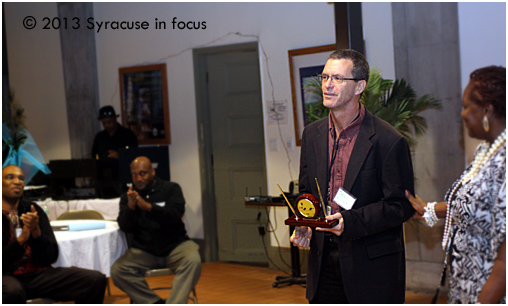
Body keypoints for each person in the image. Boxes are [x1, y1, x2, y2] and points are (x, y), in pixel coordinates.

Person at [290, 49, 415, 303]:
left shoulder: (388, 140)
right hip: (322, 261)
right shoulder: (312, 135)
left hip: (370, 267)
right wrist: (304, 222)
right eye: (324, 77)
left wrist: (350, 221)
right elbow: (307, 192)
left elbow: (400, 206)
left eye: (337, 78)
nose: (327, 85)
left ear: (359, 86)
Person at [406, 66, 506, 304]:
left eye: (465, 106)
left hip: (491, 293)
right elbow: (473, 204)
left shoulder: (504, 162)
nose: (461, 114)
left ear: (487, 110)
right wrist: (429, 209)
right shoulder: (486, 151)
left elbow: (505, 263)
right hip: (467, 285)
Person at [2, 165, 107, 303]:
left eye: (21, 178)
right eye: (10, 177)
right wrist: (21, 240)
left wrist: (36, 233)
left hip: (38, 276)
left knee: (95, 279)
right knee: (12, 292)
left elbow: (51, 256)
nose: (18, 182)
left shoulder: (32, 209)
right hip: (7, 277)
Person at [111, 156, 201, 304]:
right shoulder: (127, 197)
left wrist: (148, 207)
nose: (139, 178)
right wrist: (131, 208)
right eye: (134, 174)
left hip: (176, 245)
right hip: (144, 250)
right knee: (118, 271)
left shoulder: (171, 189)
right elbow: (125, 227)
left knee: (193, 261)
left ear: (152, 172)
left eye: (143, 173)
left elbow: (175, 214)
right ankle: (155, 303)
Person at [92, 105, 138, 197]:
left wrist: (120, 155)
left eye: (109, 122)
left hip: (123, 178)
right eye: (104, 123)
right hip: (103, 180)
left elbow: (135, 155)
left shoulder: (127, 134)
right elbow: (94, 155)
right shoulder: (99, 137)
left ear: (115, 119)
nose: (107, 125)